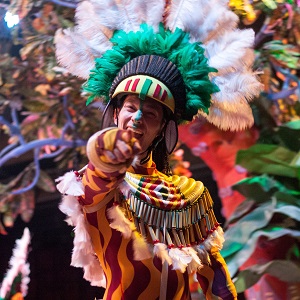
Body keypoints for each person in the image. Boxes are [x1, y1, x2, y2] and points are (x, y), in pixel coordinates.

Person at [55, 1, 262, 299]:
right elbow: (99, 175)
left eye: (150, 113)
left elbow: (214, 274)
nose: (137, 117)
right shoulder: (100, 182)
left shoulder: (189, 196)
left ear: (163, 127)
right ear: (115, 114)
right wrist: (113, 153)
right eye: (130, 108)